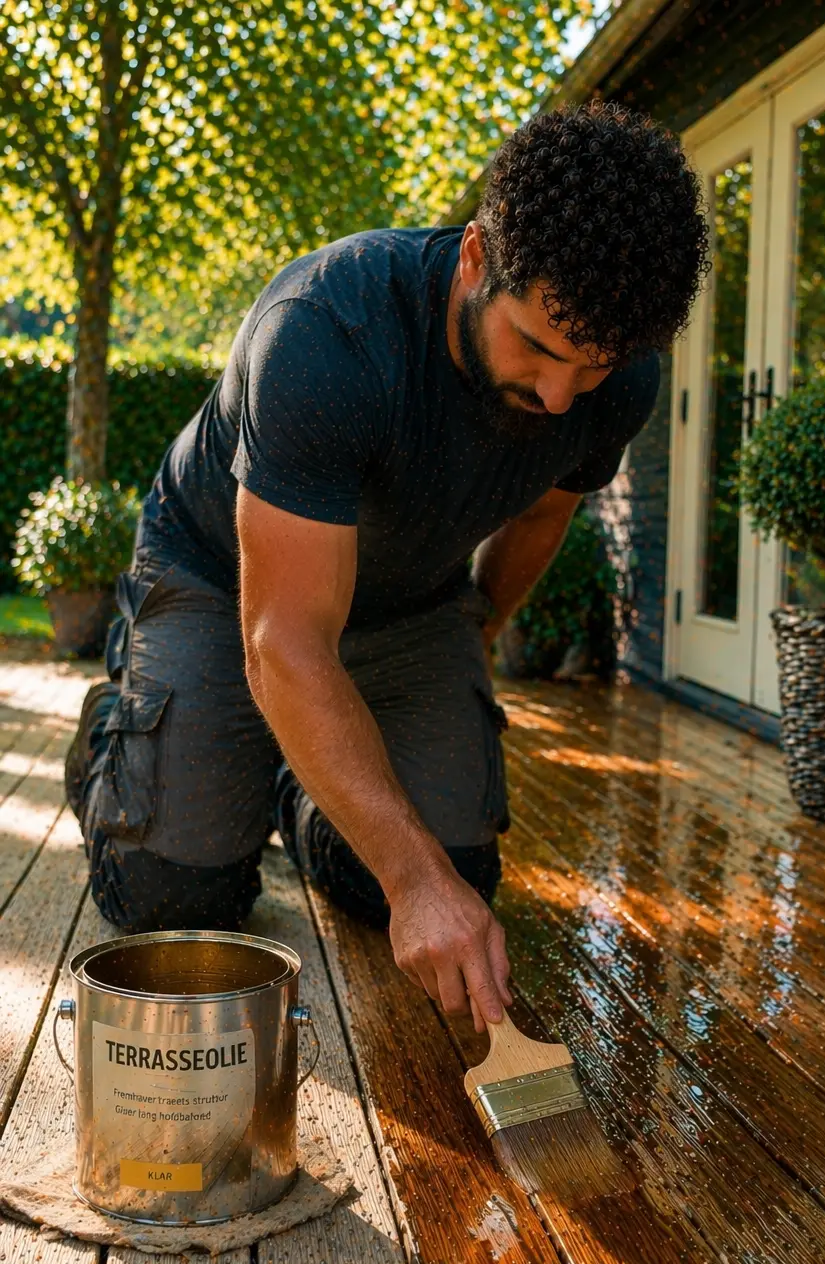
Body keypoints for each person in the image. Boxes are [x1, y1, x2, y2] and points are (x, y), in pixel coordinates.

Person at [65, 102, 709, 1031]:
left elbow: (542, 510)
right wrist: (413, 877)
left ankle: (301, 774)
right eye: (536, 345)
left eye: (594, 368)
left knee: (459, 871)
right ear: (477, 257)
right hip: (221, 583)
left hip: (406, 603)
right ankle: (118, 740)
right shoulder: (325, 332)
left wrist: (472, 629)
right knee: (173, 899)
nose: (559, 394)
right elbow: (283, 637)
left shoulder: (619, 383)